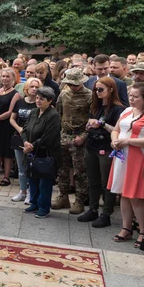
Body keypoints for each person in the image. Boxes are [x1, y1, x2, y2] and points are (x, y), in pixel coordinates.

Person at [109, 82, 144, 247]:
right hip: (122, 157)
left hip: (138, 157)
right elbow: (115, 130)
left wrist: (128, 140)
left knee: (136, 196)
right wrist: (115, 140)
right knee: (123, 194)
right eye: (130, 95)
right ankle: (126, 227)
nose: (131, 99)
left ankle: (143, 230)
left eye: (136, 97)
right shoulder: (127, 111)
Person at [78, 77, 125, 227]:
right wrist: (89, 125)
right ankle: (93, 209)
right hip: (92, 145)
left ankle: (106, 213)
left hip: (106, 147)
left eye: (100, 89)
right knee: (93, 180)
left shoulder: (119, 109)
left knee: (106, 182)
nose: (97, 92)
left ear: (110, 89)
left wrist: (102, 124)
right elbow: (91, 123)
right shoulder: (96, 106)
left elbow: (118, 130)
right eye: (96, 89)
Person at [52, 67, 92, 214]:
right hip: (64, 135)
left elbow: (93, 119)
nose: (72, 87)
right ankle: (63, 197)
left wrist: (84, 136)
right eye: (70, 84)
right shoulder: (64, 94)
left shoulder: (89, 96)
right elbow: (58, 113)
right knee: (62, 169)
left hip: (79, 137)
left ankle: (80, 200)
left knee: (80, 171)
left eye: (75, 84)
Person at [22, 87, 62, 218]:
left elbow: (48, 137)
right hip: (32, 152)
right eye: (37, 98)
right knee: (32, 178)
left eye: (42, 99)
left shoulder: (53, 116)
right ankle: (34, 203)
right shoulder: (33, 112)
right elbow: (25, 129)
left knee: (44, 182)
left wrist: (31, 146)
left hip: (46, 154)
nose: (38, 101)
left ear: (50, 101)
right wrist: (25, 142)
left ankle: (44, 207)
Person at [10, 77, 43, 204]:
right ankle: (22, 191)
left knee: (32, 167)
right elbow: (12, 118)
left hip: (34, 140)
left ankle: (31, 192)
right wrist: (19, 129)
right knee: (21, 168)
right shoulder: (20, 102)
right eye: (32, 87)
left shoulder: (40, 103)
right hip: (19, 138)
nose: (34, 89)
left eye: (37, 87)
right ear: (26, 88)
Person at [0, 67, 20, 186]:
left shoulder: (15, 94)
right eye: (3, 76)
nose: (5, 79)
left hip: (7, 125)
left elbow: (10, 111)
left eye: (8, 77)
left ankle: (6, 177)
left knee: (7, 152)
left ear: (13, 79)